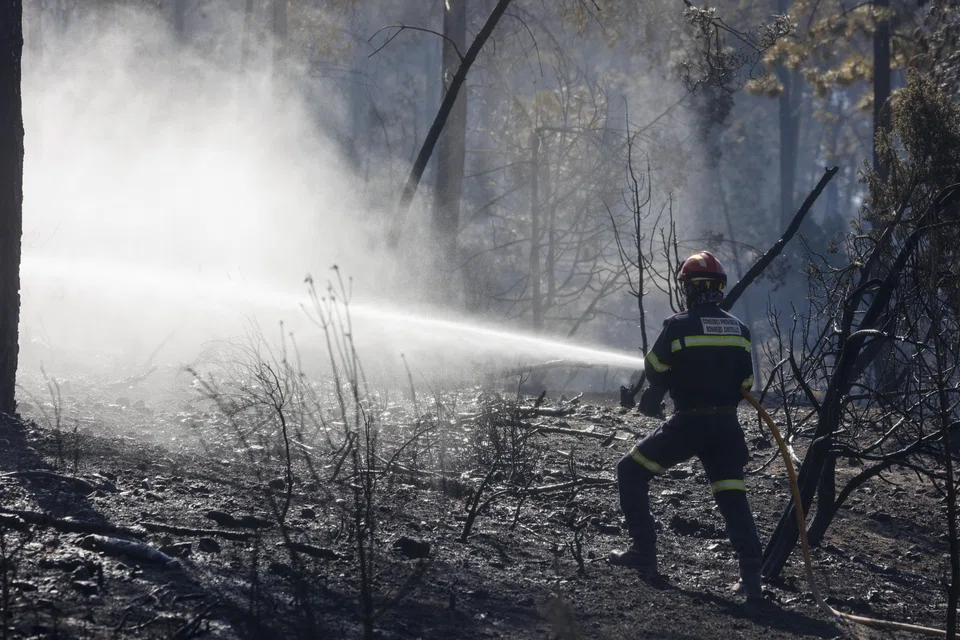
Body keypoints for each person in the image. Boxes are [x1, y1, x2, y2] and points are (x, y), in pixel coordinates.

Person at [609, 250, 764, 605]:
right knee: (732, 497)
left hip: (689, 424)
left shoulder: (678, 325)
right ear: (718, 289)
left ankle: (644, 553)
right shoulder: (739, 330)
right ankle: (752, 580)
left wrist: (672, 383)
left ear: (689, 289)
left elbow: (654, 369)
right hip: (726, 428)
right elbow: (746, 382)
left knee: (630, 471)